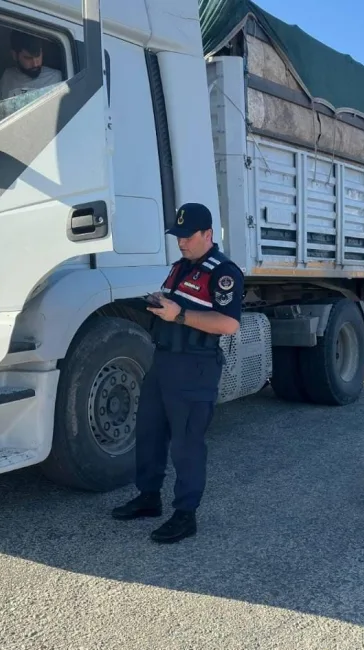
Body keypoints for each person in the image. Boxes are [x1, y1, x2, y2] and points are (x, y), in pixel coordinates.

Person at [111, 202, 245, 544]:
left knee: (186, 443)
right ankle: (149, 497)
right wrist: (158, 304)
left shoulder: (224, 272)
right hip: (165, 360)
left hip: (195, 365)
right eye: (178, 236)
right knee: (150, 432)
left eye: (187, 236)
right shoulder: (180, 267)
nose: (181, 241)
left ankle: (185, 515)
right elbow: (174, 305)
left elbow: (228, 323)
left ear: (207, 234)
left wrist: (179, 316)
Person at [0, 31, 63, 103]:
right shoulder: (8, 76)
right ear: (15, 55)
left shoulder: (56, 78)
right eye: (28, 58)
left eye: (38, 56)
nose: (35, 64)